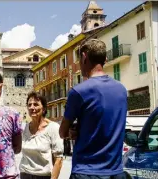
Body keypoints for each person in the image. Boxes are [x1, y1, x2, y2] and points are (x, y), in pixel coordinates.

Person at [59, 39, 128, 179]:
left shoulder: (78, 92)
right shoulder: (122, 90)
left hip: (86, 172)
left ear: (84, 57)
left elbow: (62, 132)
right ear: (105, 59)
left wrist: (73, 130)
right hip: (116, 172)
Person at [19, 91, 63, 179]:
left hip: (43, 176)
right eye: (29, 105)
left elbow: (58, 160)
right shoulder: (23, 128)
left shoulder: (53, 128)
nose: (32, 107)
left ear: (43, 108)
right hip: (24, 174)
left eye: (36, 104)